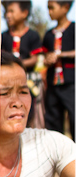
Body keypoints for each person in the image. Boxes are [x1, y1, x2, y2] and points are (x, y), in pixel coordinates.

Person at [2, 1, 45, 129]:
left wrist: (14, 65)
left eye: (11, 11)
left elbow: (34, 59)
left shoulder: (33, 35)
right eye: (6, 12)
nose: (8, 15)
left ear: (24, 13)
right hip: (6, 83)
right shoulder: (3, 37)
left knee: (29, 113)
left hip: (29, 81)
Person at [43, 0, 75, 138]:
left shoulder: (73, 28)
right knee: (53, 120)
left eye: (52, 8)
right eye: (48, 8)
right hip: (52, 84)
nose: (49, 12)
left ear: (65, 8)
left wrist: (60, 55)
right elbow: (43, 56)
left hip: (71, 83)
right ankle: (58, 155)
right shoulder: (48, 34)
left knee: (74, 117)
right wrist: (46, 60)